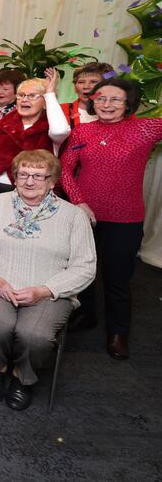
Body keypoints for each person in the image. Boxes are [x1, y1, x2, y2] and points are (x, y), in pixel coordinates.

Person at [0, 150, 96, 410]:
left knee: (34, 335)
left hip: (48, 289)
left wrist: (46, 290)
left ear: (52, 181)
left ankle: (22, 377)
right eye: (23, 174)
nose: (29, 181)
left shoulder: (73, 216)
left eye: (38, 176)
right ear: (14, 178)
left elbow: (85, 266)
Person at [60, 79, 162, 360]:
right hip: (84, 215)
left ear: (129, 103)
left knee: (118, 277)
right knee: (84, 270)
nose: (106, 104)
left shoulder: (145, 128)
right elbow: (65, 169)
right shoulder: (83, 131)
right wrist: (78, 202)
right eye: (101, 98)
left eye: (115, 100)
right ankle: (86, 315)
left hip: (125, 218)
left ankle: (118, 332)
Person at [0, 70, 69, 226]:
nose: (24, 100)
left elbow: (60, 131)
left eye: (32, 96)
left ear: (45, 101)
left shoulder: (52, 124)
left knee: (12, 222)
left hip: (30, 187)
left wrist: (50, 94)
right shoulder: (7, 120)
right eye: (21, 95)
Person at [59, 62, 114, 128]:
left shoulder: (119, 112)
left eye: (93, 82)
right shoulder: (60, 110)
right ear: (75, 88)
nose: (86, 86)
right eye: (81, 82)